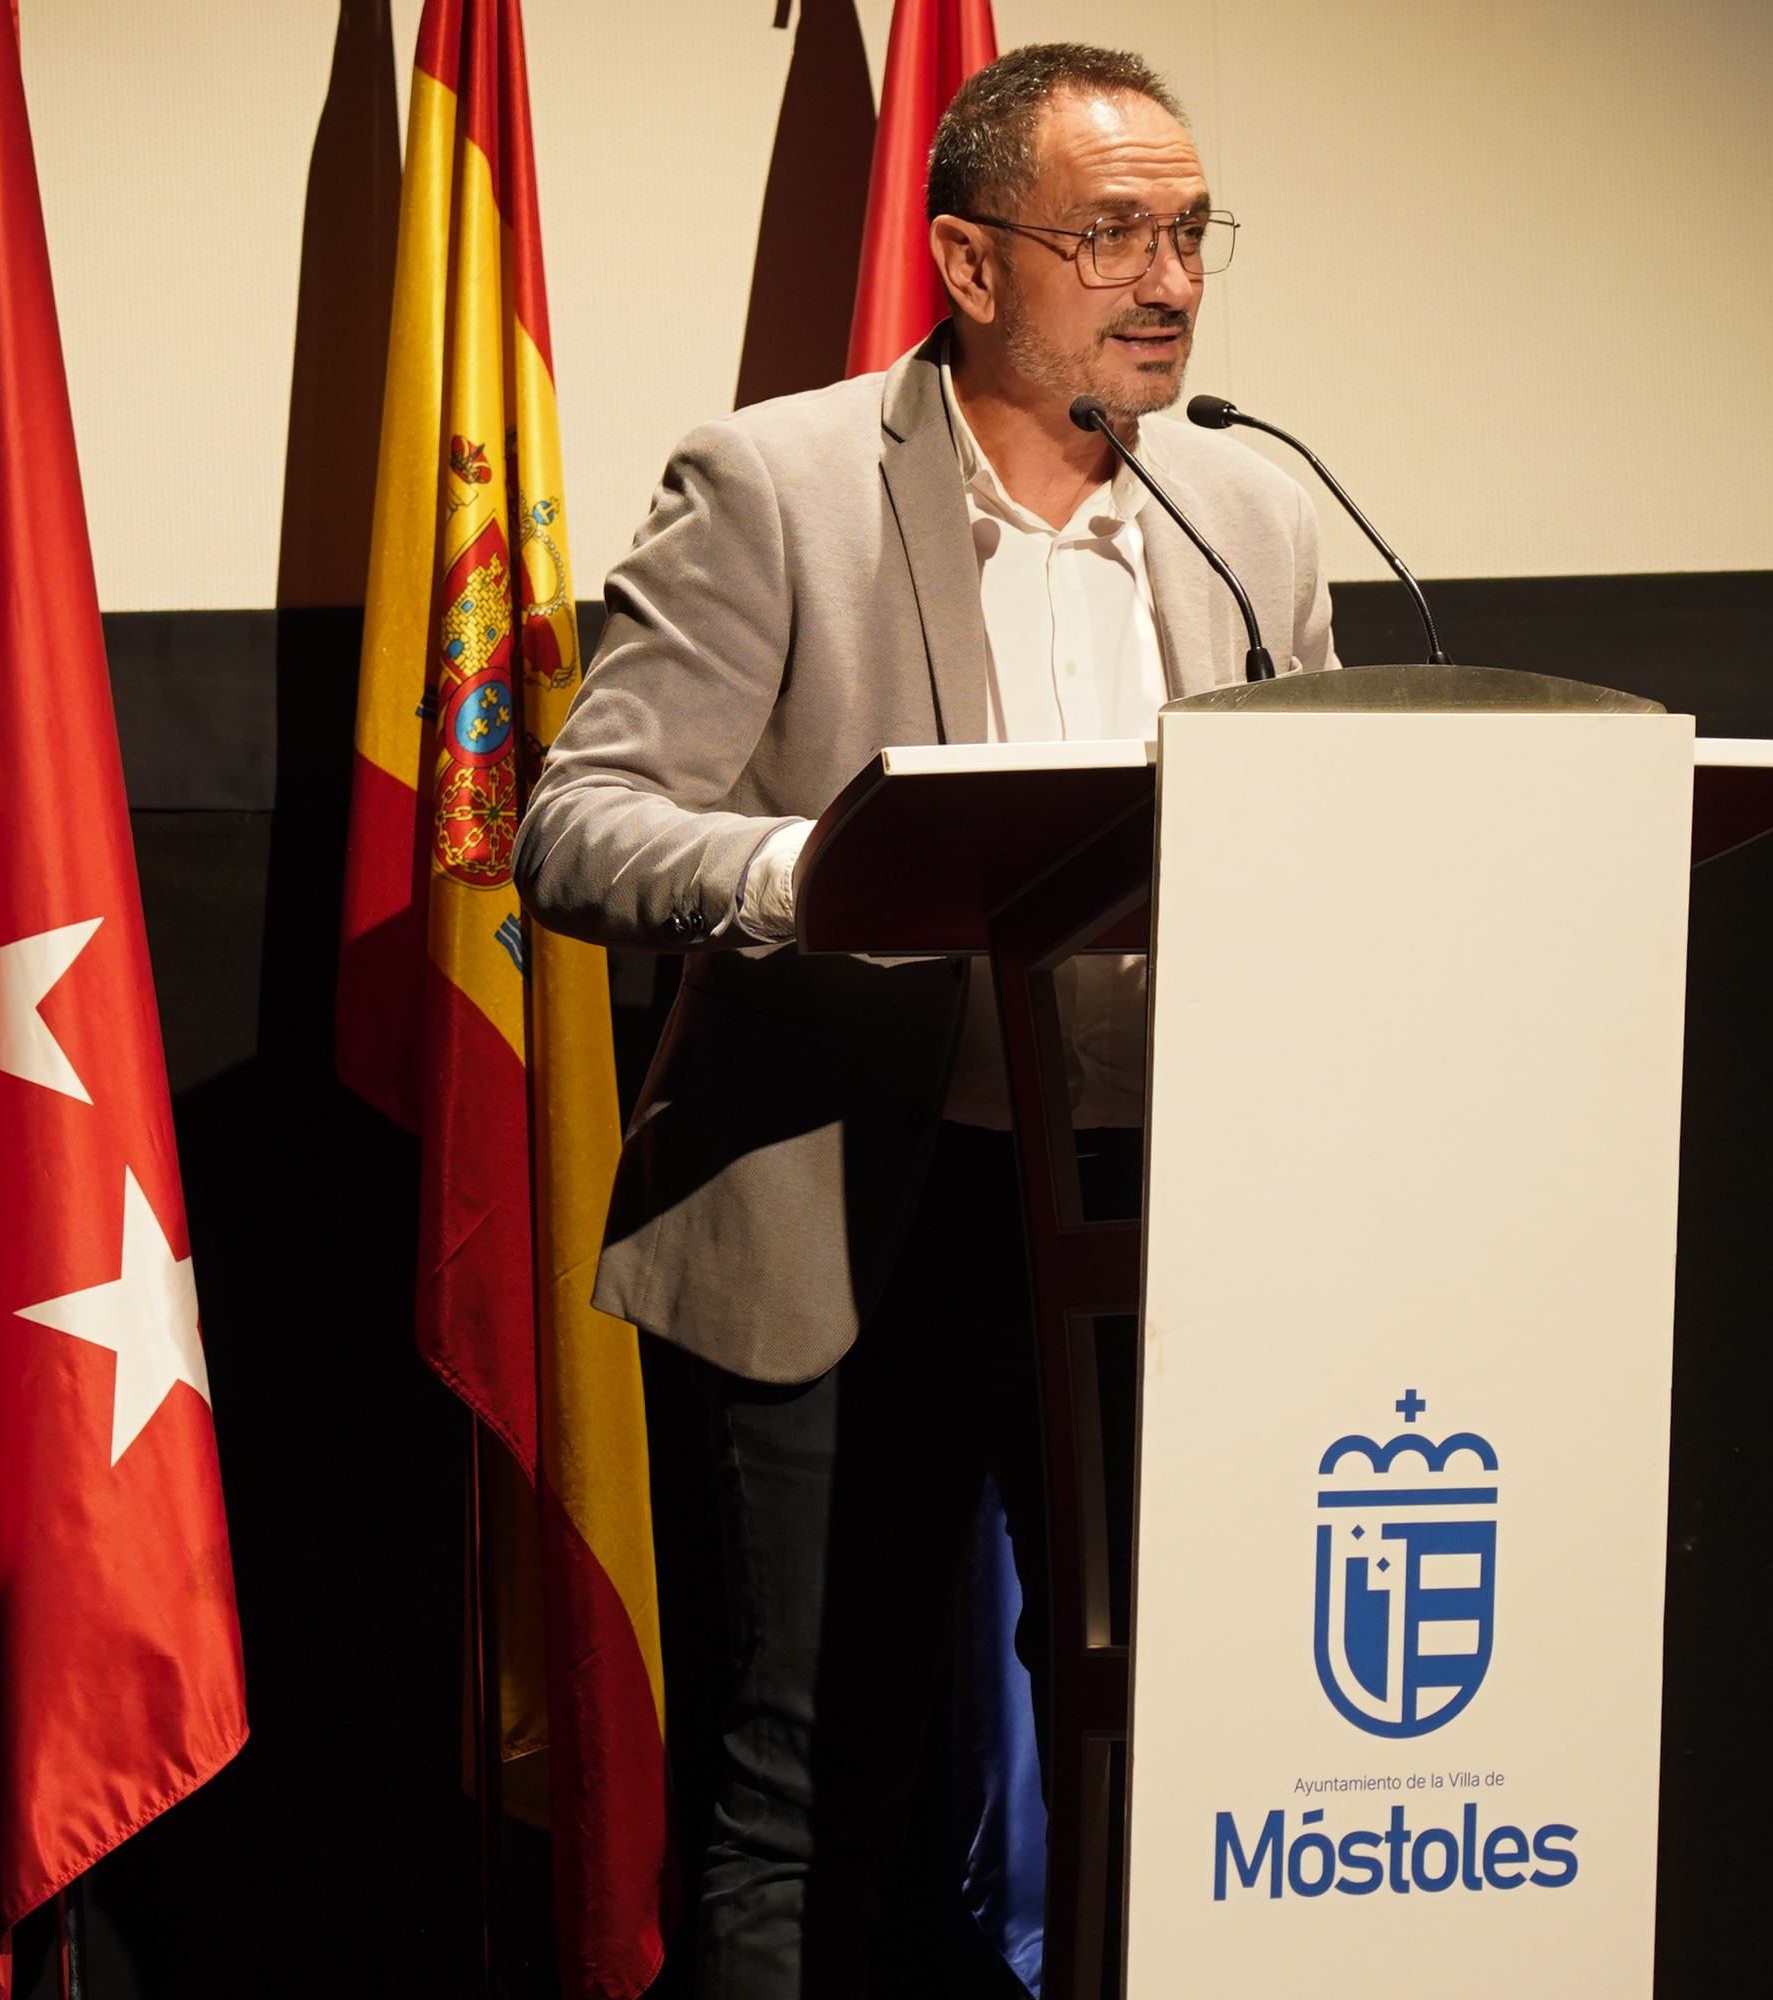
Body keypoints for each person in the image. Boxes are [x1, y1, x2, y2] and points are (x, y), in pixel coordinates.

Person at [515, 42, 1333, 1998]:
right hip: (853, 1204)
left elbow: (1317, 823)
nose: (1168, 283)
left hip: (1149, 1214)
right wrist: (820, 874)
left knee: (1173, 1735)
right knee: (818, 1777)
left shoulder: (1248, 508)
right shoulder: (775, 486)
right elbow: (576, 823)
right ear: (968, 264)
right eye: (1111, 236)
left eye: (1190, 234)